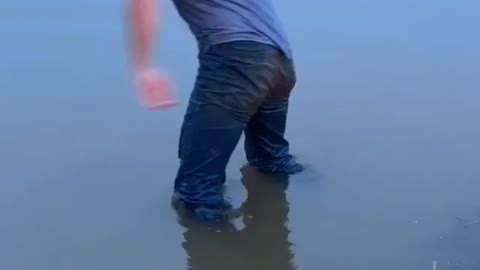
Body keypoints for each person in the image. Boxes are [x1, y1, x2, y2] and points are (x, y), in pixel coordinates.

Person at [127, 0, 304, 221]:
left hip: (236, 61)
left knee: (195, 194)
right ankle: (300, 223)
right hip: (281, 62)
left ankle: (226, 251)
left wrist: (143, 67)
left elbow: (143, 4)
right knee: (273, 163)